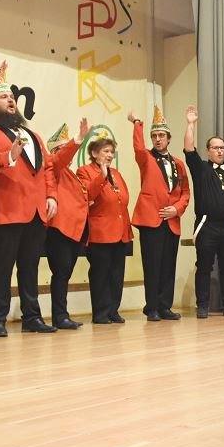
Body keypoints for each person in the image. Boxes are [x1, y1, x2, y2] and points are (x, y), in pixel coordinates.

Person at [0, 61, 58, 336]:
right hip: (6, 209)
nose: (11, 100)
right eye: (4, 97)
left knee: (30, 266)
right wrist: (7, 156)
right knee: (4, 265)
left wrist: (52, 196)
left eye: (12, 97)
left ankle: (32, 317)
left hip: (36, 210)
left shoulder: (33, 135)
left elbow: (47, 169)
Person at [183, 105, 224, 318]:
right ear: (208, 151)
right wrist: (190, 124)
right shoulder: (200, 169)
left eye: (222, 148)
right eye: (215, 148)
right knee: (203, 267)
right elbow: (188, 149)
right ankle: (203, 306)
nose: (219, 151)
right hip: (206, 225)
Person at [127, 106, 190, 321]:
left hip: (171, 222)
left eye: (161, 135)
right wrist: (137, 123)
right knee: (152, 265)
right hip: (151, 220)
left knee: (168, 265)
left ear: (169, 138)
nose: (157, 139)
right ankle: (152, 307)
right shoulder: (146, 158)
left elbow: (185, 192)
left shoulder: (178, 164)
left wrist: (177, 209)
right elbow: (137, 146)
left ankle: (165, 306)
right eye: (154, 136)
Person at [76, 134, 133, 324]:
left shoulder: (116, 173)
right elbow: (88, 194)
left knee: (117, 274)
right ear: (94, 153)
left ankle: (113, 310)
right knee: (100, 274)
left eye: (111, 152)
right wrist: (101, 175)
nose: (109, 155)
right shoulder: (84, 171)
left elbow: (123, 198)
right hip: (100, 232)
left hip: (121, 231)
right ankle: (100, 312)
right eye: (105, 151)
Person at [45, 119, 91, 329]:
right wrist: (78, 139)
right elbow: (61, 159)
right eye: (63, 149)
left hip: (73, 231)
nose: (69, 153)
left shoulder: (71, 174)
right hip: (59, 230)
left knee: (65, 274)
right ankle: (60, 316)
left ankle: (62, 314)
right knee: (61, 273)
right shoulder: (54, 166)